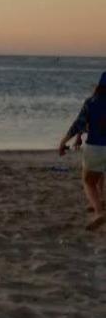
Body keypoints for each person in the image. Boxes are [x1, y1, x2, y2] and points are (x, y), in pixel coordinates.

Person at [60, 72, 106, 231]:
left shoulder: (91, 103)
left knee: (88, 181)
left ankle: (99, 212)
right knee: (100, 173)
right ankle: (100, 200)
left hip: (95, 147)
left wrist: (63, 142)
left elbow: (79, 123)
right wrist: (79, 136)